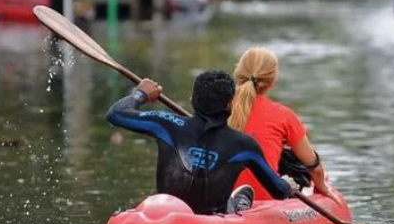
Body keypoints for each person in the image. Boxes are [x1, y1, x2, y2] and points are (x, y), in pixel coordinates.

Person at [106, 70, 299, 215]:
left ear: (192, 100)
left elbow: (116, 114)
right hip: (211, 222)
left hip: (167, 214)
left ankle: (236, 201)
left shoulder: (165, 123)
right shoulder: (244, 144)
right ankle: (237, 203)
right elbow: (278, 191)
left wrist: (140, 94)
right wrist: (289, 186)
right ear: (231, 104)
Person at [228, 47, 332, 205]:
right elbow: (314, 168)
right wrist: (322, 188)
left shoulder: (216, 108)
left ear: (238, 73)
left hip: (218, 200)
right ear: (272, 80)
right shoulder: (284, 115)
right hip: (264, 202)